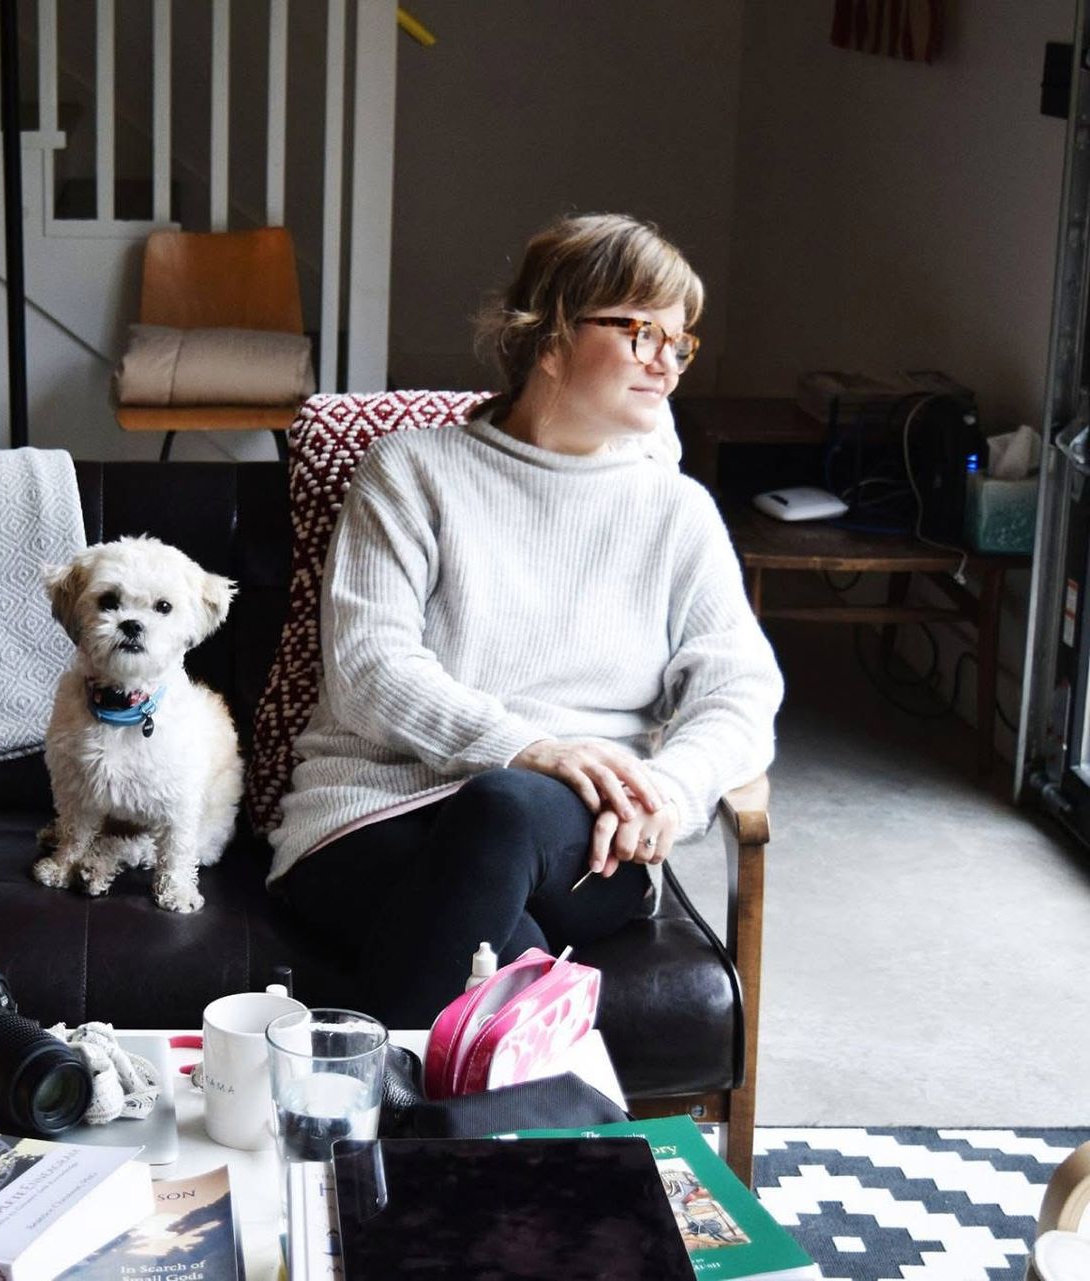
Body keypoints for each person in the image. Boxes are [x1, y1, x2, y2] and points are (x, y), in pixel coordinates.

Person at [269, 213, 783, 1028]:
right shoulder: (412, 471)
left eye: (679, 341)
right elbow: (370, 668)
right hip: (372, 815)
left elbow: (741, 689)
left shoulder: (675, 511)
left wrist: (673, 792)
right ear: (548, 334)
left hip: (580, 840)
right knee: (505, 936)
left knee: (506, 807)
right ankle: (516, 1126)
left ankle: (380, 1127)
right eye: (643, 329)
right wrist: (526, 746)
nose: (669, 362)